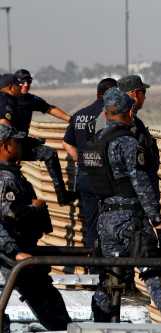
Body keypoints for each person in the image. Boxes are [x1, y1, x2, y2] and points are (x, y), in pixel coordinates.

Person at [86, 87, 161, 323]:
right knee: (152, 272)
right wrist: (157, 221)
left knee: (109, 280)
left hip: (104, 220)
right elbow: (141, 183)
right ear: (129, 111)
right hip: (130, 219)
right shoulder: (127, 142)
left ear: (107, 113)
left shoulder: (95, 142)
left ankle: (98, 325)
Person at [0, 123, 71, 331]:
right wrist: (14, 251)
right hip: (12, 253)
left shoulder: (11, 174)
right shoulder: (4, 178)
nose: (21, 147)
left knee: (49, 303)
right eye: (17, 142)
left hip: (20, 251)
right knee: (48, 305)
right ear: (6, 146)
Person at [0, 71, 74, 205]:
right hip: (7, 147)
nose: (26, 85)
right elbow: (5, 126)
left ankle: (62, 195)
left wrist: (71, 120)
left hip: (20, 144)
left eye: (29, 82)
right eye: (22, 82)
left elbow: (49, 108)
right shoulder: (5, 100)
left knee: (49, 153)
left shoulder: (30, 100)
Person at [62, 78, 117, 248]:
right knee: (110, 224)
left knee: (91, 225)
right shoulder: (110, 115)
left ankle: (92, 269)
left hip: (85, 176)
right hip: (105, 178)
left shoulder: (79, 115)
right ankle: (107, 269)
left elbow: (66, 143)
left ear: (97, 93)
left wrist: (83, 159)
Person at [117, 75, 160, 200]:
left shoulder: (109, 118)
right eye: (143, 92)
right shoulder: (129, 122)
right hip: (135, 195)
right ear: (135, 94)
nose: (145, 97)